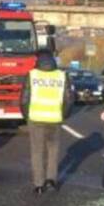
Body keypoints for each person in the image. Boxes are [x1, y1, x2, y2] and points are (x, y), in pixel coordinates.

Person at [20, 50, 74, 194]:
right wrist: (62, 115)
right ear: (53, 60)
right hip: (55, 118)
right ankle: (51, 181)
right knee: (53, 150)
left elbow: (24, 99)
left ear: (38, 60)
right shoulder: (62, 76)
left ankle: (39, 185)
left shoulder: (32, 75)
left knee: (37, 152)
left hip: (36, 118)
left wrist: (27, 117)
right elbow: (69, 99)